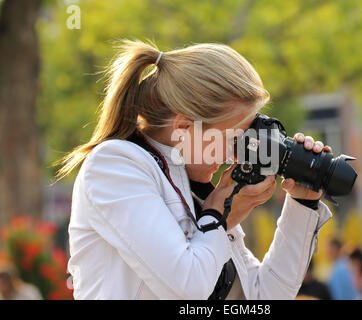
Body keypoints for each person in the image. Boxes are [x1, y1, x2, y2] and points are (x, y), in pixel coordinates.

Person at [57, 40, 333, 299]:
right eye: (231, 139)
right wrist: (219, 216)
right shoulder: (116, 166)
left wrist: (302, 203)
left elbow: (263, 295)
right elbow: (187, 287)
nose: (233, 155)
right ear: (184, 129)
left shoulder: (195, 190)